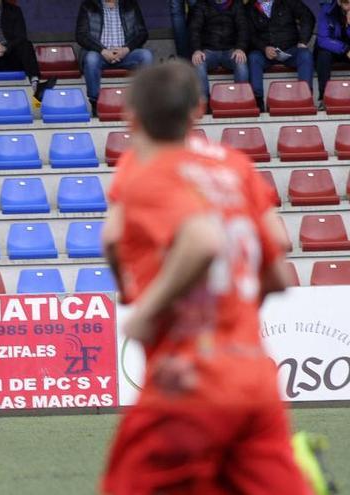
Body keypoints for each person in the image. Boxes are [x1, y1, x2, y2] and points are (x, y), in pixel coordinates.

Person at [99, 61, 315, 495]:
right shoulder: (232, 165)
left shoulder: (142, 170)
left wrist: (143, 307)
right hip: (253, 374)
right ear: (197, 109)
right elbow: (276, 259)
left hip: (188, 375)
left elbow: (196, 240)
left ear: (131, 117)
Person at [75, 0, 154, 115]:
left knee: (146, 56)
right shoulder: (89, 5)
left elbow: (143, 33)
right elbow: (81, 35)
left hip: (126, 53)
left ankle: (146, 102)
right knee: (91, 59)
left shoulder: (130, 4)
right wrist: (103, 51)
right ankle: (95, 103)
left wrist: (126, 49)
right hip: (100, 54)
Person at [247, 0, 315, 112]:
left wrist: (303, 40)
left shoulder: (287, 2)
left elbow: (307, 17)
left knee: (305, 55)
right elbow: (250, 34)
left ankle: (306, 97)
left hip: (290, 50)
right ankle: (257, 101)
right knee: (253, 58)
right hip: (266, 54)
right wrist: (264, 48)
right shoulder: (250, 7)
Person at [188, 0, 250, 110]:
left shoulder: (236, 4)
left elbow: (243, 28)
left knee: (241, 62)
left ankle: (241, 100)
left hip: (230, 51)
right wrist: (197, 50)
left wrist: (240, 48)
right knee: (198, 63)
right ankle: (204, 103)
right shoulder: (202, 4)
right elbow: (194, 30)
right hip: (209, 51)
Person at [315, 0, 350, 106]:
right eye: (346, 2)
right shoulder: (327, 11)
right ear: (339, 2)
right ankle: (324, 97)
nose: (349, 6)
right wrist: (346, 49)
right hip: (334, 49)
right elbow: (323, 40)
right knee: (323, 56)